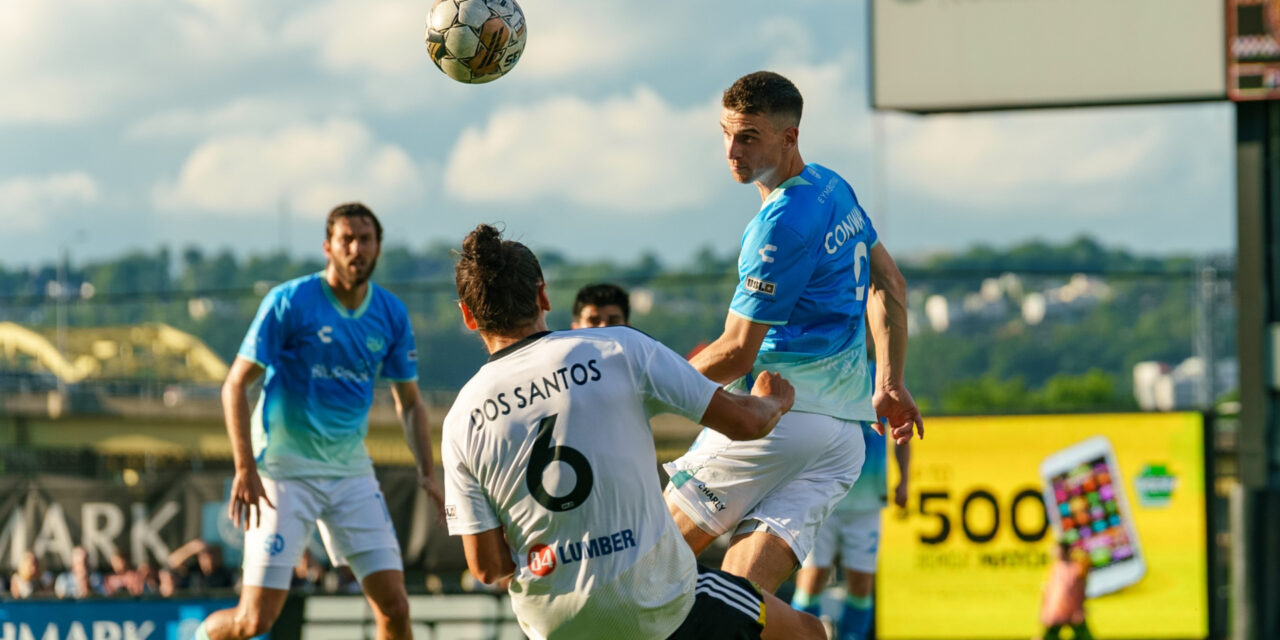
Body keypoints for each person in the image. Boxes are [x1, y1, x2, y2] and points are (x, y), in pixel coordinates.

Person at [441, 224, 826, 639]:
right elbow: (747, 424)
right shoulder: (616, 349)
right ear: (543, 295)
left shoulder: (462, 417)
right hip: (659, 605)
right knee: (809, 633)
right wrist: (774, 400)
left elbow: (487, 567)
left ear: (467, 314)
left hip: (555, 625)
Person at [663, 71, 923, 593]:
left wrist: (643, 387)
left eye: (748, 137)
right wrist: (889, 381)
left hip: (776, 422)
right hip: (842, 440)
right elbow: (888, 283)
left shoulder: (780, 222)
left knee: (638, 571)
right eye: (726, 133)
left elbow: (737, 353)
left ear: (789, 137)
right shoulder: (831, 185)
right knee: (738, 603)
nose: (731, 151)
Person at [195, 202, 443, 640]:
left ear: (378, 248)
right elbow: (235, 385)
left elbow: (410, 404)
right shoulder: (289, 302)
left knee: (396, 606)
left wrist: (427, 471)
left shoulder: (391, 314)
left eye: (365, 240)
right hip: (283, 476)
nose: (356, 249)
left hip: (351, 475)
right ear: (328, 247)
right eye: (347, 240)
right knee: (254, 621)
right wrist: (245, 468)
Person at [790, 430, 910, 640]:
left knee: (862, 585)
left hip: (867, 503)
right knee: (811, 579)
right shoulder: (823, 394)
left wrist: (904, 480)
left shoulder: (885, 394)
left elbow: (902, 433)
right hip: (821, 498)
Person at [1040, 542, 1093, 640]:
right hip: (1056, 611)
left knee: (1084, 636)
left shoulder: (1077, 567)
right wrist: (1045, 610)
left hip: (1073, 611)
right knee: (1050, 636)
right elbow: (1047, 590)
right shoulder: (1054, 568)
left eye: (1059, 551)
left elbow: (1083, 586)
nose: (1056, 554)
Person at [168, 539, 237, 593]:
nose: (208, 561)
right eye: (204, 557)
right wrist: (191, 548)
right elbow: (172, 562)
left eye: (211, 556)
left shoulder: (225, 574)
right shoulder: (194, 570)